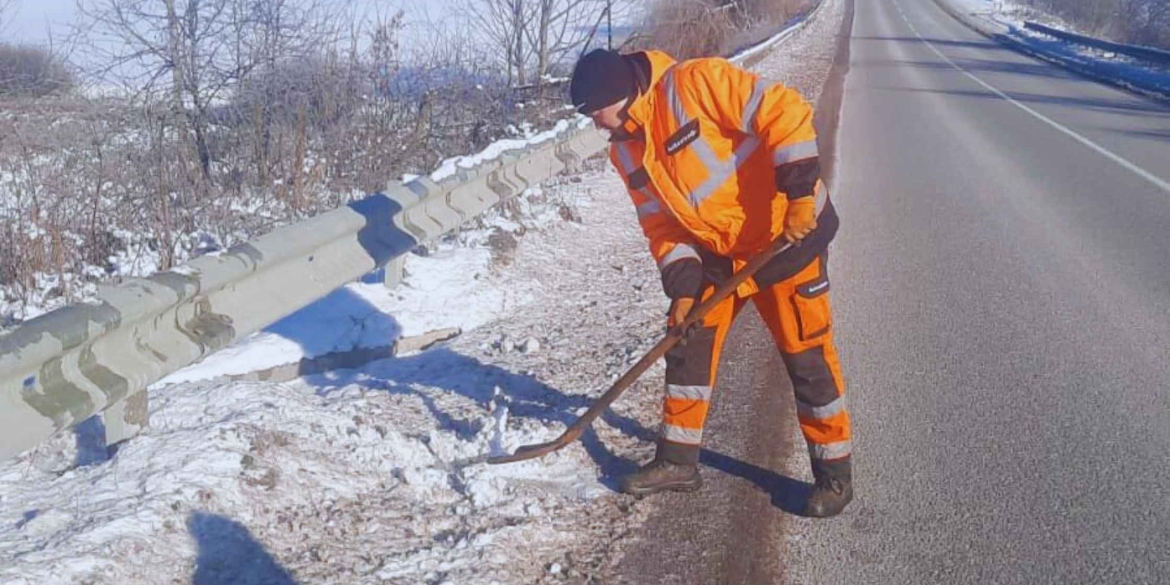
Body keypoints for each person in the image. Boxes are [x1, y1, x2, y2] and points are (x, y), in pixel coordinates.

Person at [569, 48, 852, 517]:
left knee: (807, 355)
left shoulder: (696, 84)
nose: (599, 127)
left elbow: (785, 110)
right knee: (686, 340)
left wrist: (800, 194)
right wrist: (683, 291)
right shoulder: (625, 148)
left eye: (598, 115)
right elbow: (661, 226)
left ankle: (834, 474)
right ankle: (678, 461)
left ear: (620, 95)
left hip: (787, 238)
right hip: (722, 254)